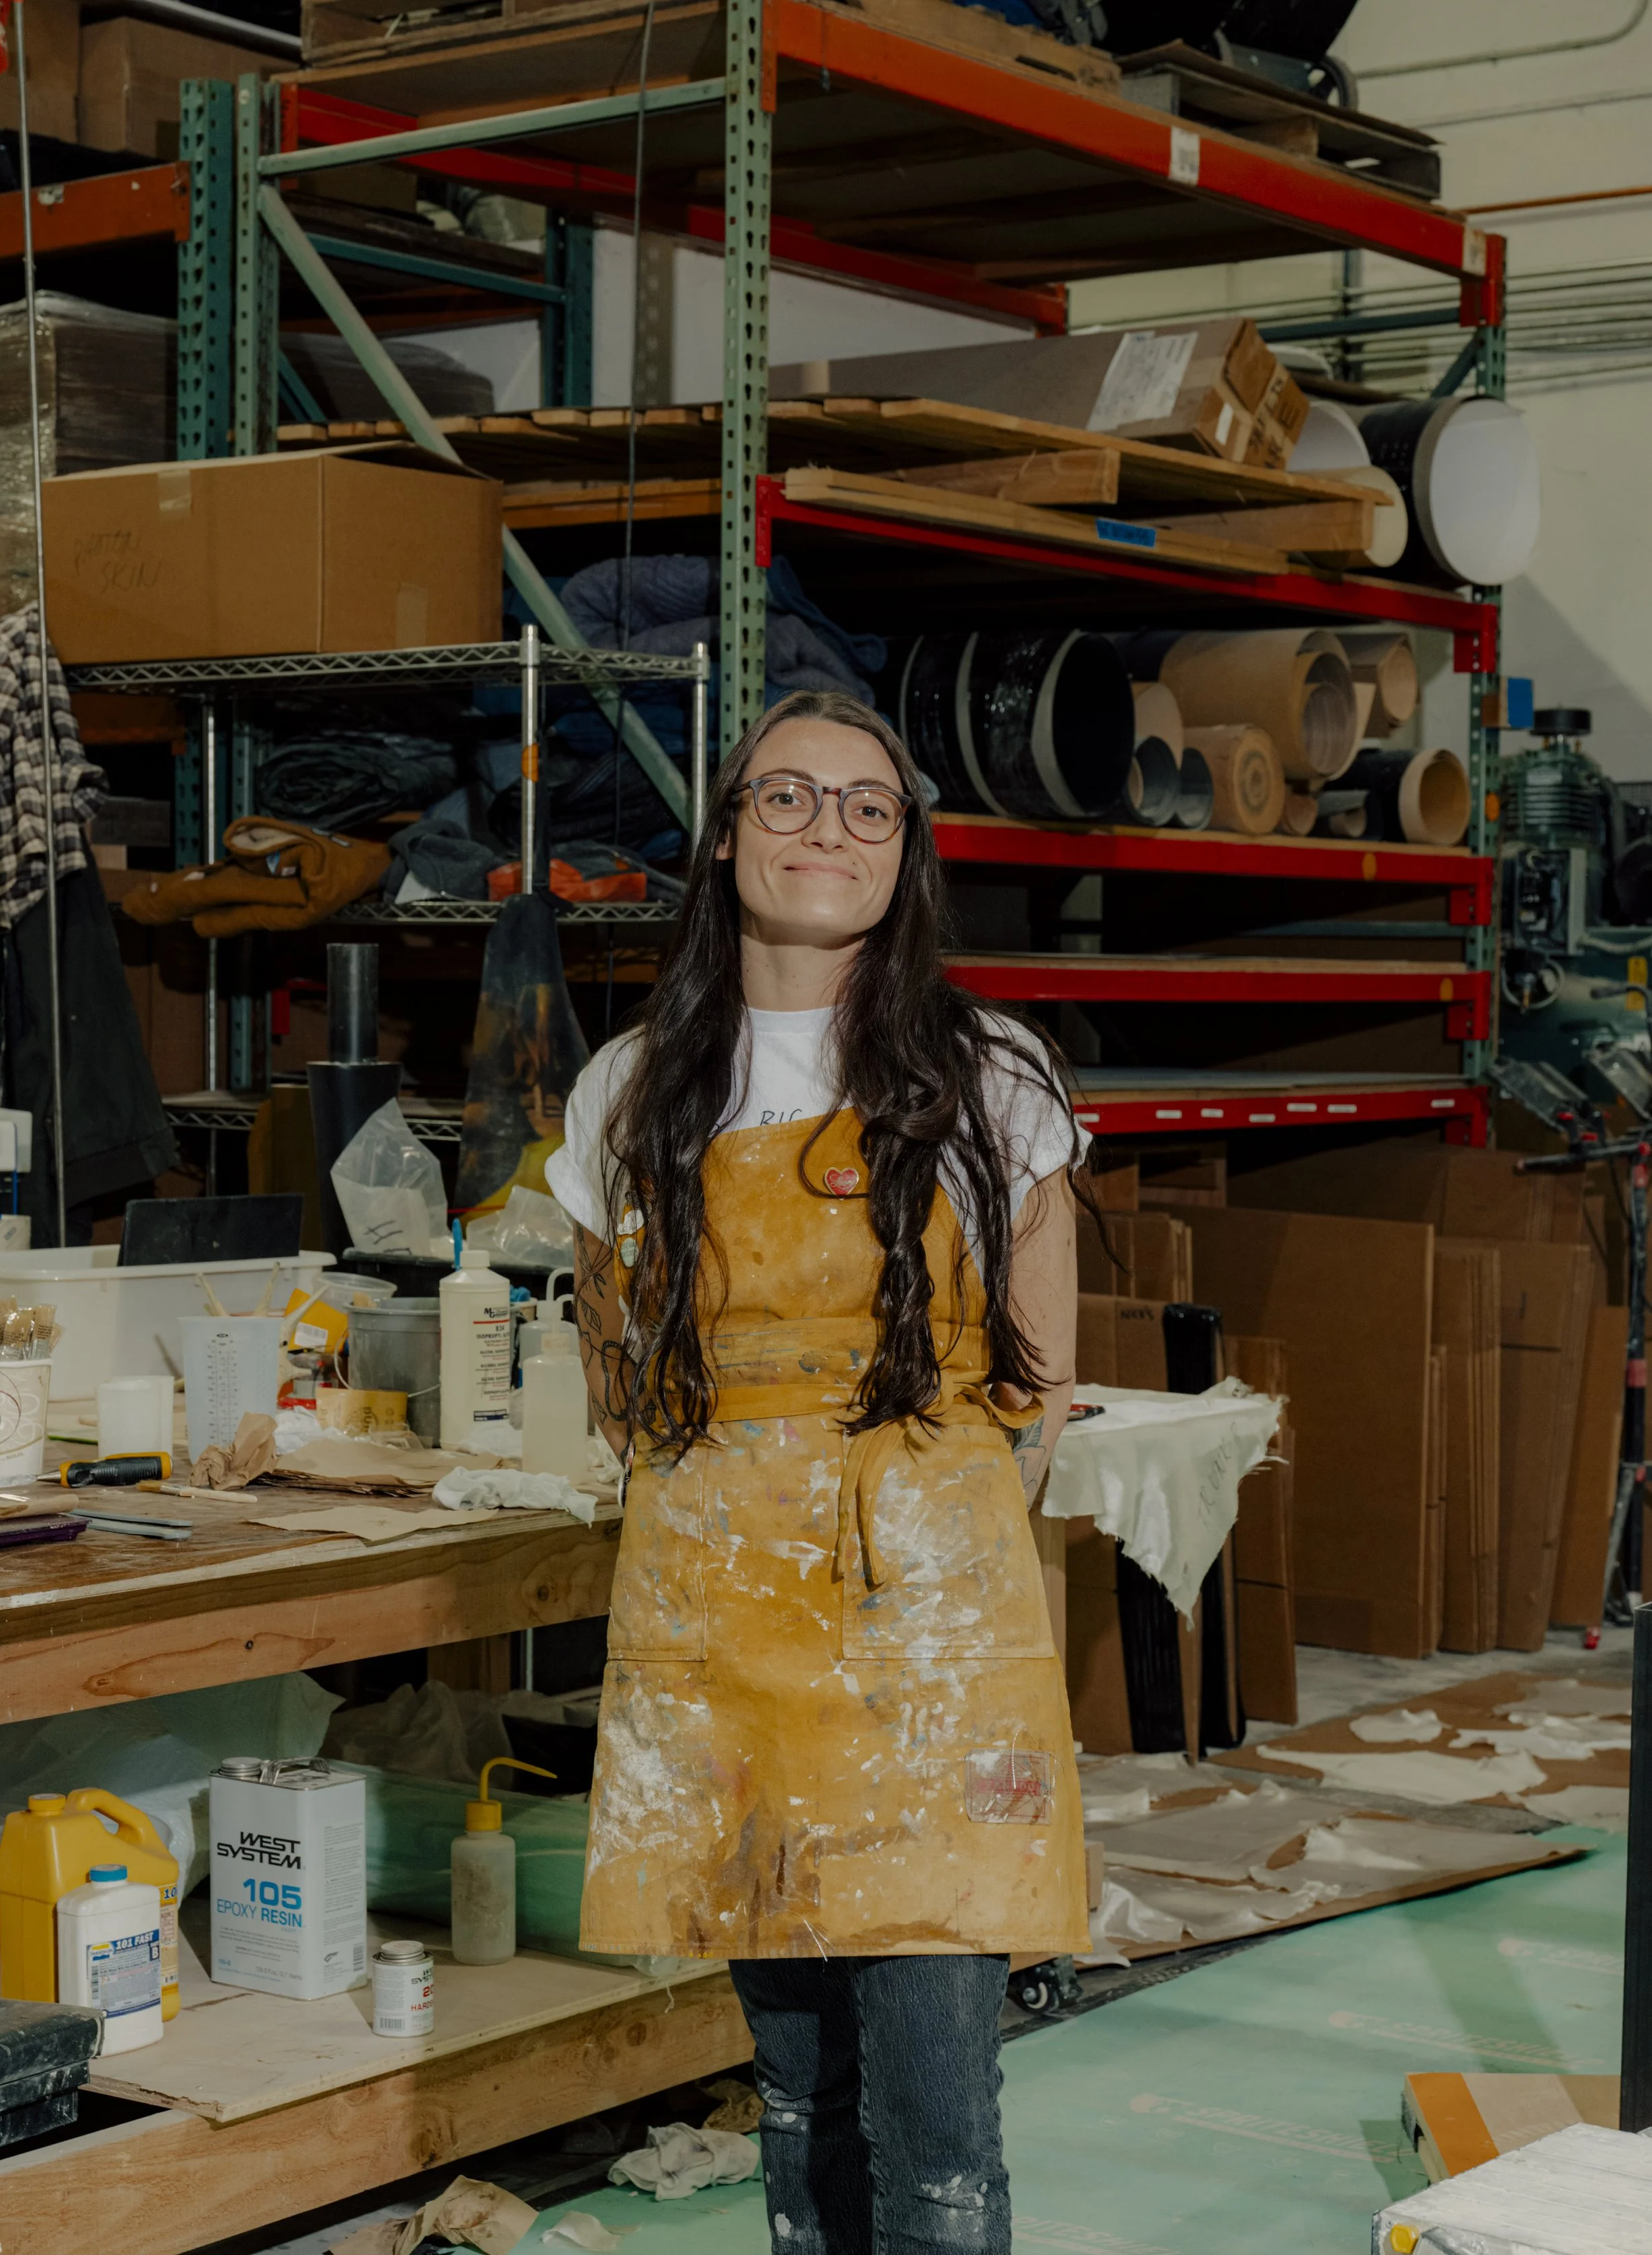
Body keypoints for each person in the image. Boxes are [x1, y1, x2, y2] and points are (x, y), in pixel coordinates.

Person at [545, 687, 1091, 2255]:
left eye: (865, 805)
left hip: (935, 1635)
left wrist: (931, 1541)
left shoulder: (992, 1075)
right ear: (726, 838)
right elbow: (615, 1379)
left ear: (905, 851)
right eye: (786, 797)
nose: (824, 830)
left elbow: (1039, 1383)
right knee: (794, 2091)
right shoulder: (633, 1087)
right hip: (725, 1634)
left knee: (932, 2114)